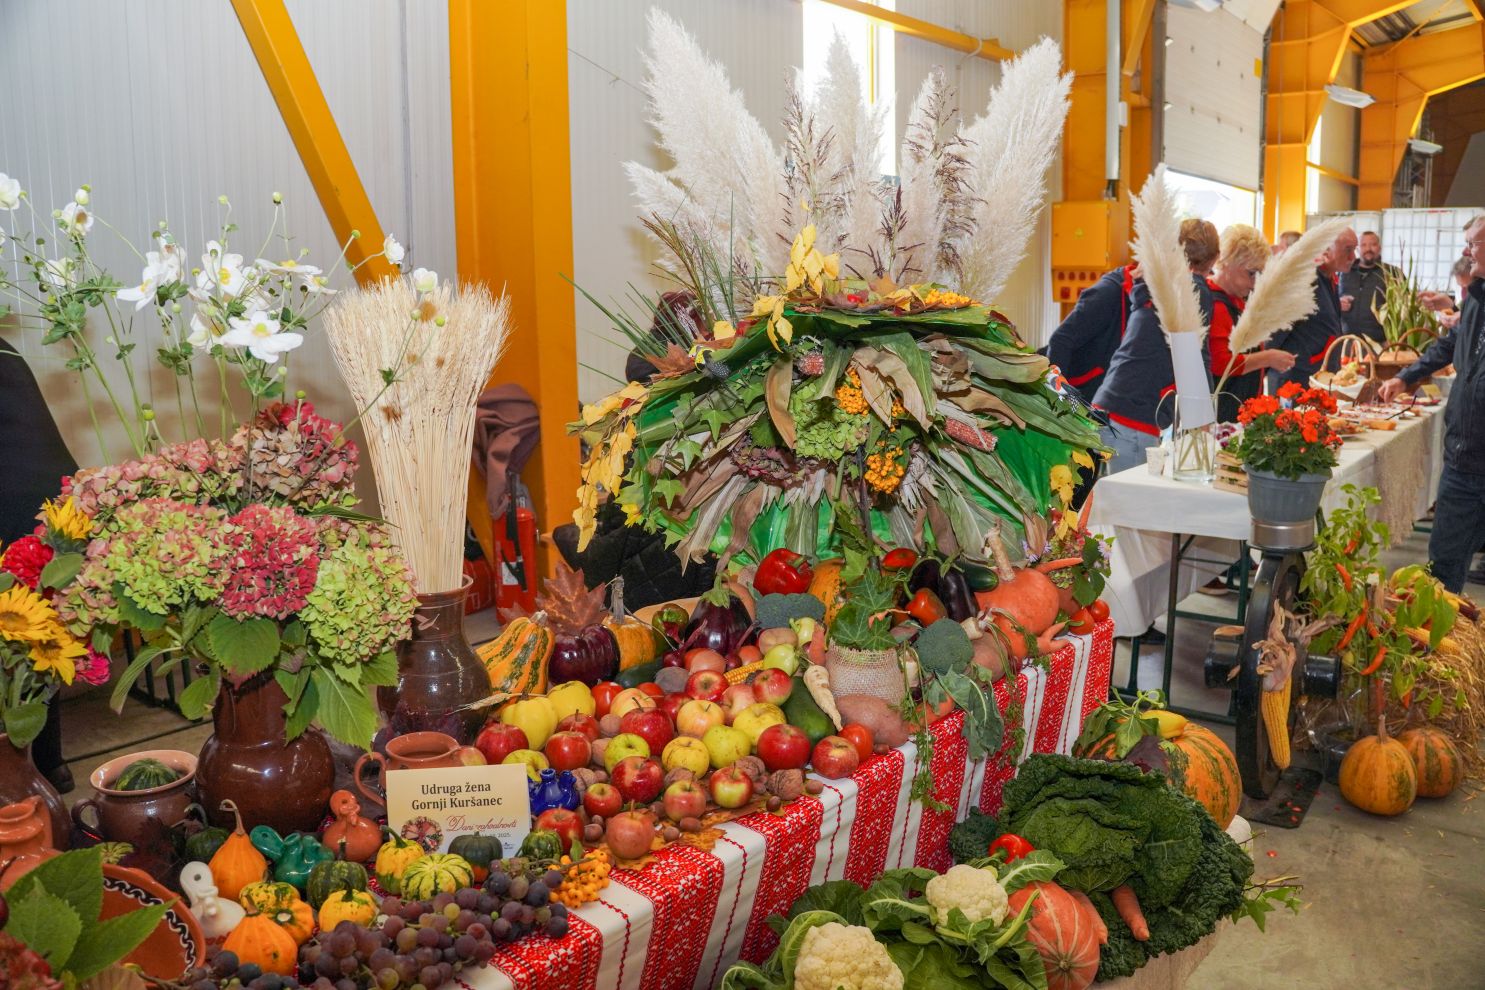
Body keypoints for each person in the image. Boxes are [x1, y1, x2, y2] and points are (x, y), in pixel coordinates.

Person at [1378, 215, 1485, 592]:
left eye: (1473, 243)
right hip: (1465, 459)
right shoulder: (1475, 297)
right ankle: (1441, 645)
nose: (1465, 250)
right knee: (1443, 570)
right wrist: (1405, 376)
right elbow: (1449, 344)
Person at [0, 339, 78, 792]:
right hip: (47, 501)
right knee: (36, 638)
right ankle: (49, 766)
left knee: (23, 640)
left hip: (17, 504)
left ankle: (25, 777)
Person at [1091, 218, 1218, 474]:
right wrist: (1204, 415)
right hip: (1135, 416)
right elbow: (1194, 356)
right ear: (1215, 258)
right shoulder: (1193, 290)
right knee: (1132, 507)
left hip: (1107, 404)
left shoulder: (1156, 283)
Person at [1207, 225, 1297, 422]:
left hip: (1239, 407)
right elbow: (1222, 364)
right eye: (1251, 273)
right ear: (1227, 263)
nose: (1255, 282)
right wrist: (1268, 357)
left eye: (1260, 275)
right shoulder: (1216, 304)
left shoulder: (1237, 300)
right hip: (1222, 414)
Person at [1267, 227, 1356, 390]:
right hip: (1295, 379)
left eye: (1354, 250)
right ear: (1325, 249)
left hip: (1320, 377)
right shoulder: (1304, 279)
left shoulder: (1330, 277)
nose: (1353, 257)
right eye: (1348, 250)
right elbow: (1276, 331)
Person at [1044, 263, 1136, 404]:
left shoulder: (1141, 296)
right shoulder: (1107, 293)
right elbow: (1060, 340)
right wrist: (1059, 398)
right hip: (1080, 395)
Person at [1339, 231, 1400, 344]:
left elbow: (1403, 309)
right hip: (1346, 341)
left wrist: (1393, 339)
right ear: (1357, 249)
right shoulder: (1343, 272)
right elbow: (1328, 300)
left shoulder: (1392, 273)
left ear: (1380, 248)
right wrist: (1338, 303)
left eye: (1373, 244)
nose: (1368, 249)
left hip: (1381, 343)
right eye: (1363, 245)